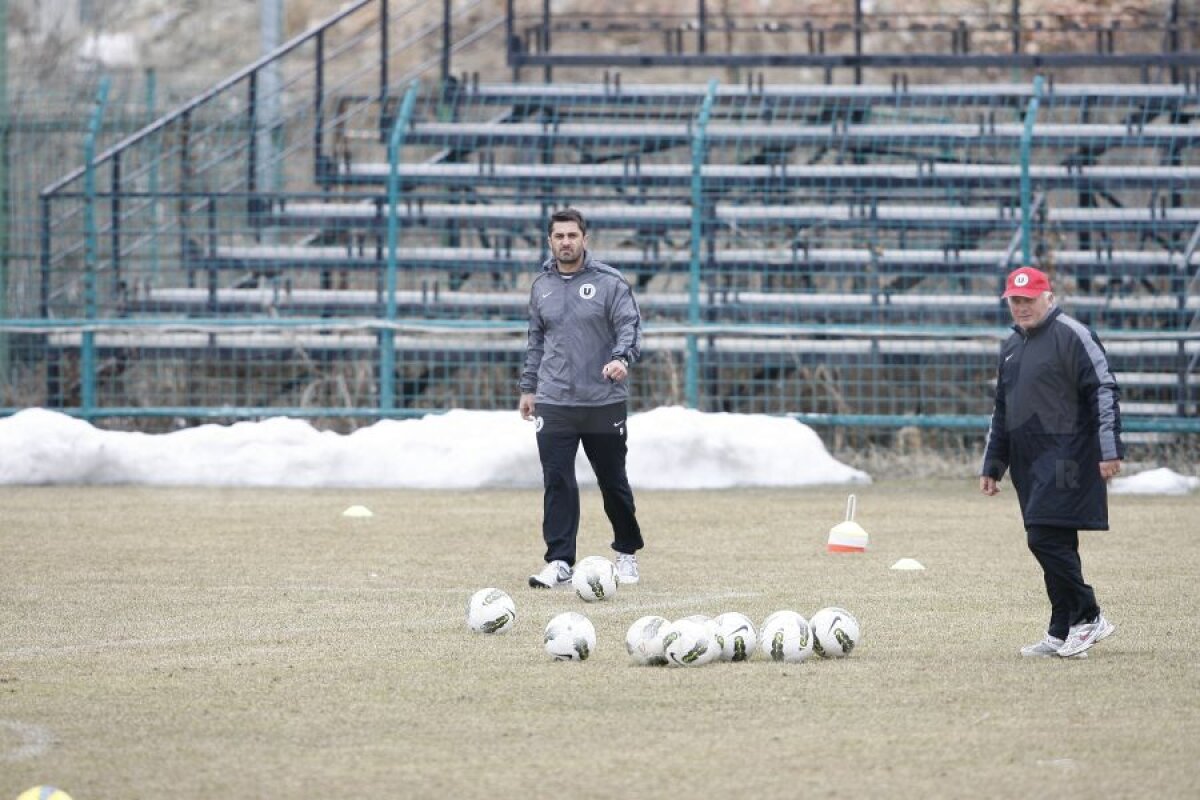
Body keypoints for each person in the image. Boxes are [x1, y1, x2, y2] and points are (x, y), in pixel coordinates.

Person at [980, 266, 1124, 659]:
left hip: (1069, 457)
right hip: (1030, 463)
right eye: (1015, 300)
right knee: (1055, 540)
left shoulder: (1073, 335)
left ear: (1048, 297)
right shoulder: (1011, 345)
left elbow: (1104, 389)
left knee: (1043, 537)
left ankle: (1090, 614)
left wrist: (1109, 448)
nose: (1022, 307)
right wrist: (994, 463)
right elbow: (1003, 409)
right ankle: (1062, 630)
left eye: (1028, 300)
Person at [519, 208, 645, 588]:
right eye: (559, 236)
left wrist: (621, 358)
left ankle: (626, 553)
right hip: (555, 399)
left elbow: (630, 326)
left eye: (572, 235)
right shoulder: (541, 285)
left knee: (612, 480)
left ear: (584, 239)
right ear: (550, 241)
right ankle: (559, 560)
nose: (566, 242)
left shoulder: (609, 282)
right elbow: (536, 340)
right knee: (557, 479)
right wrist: (529, 388)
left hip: (602, 399)